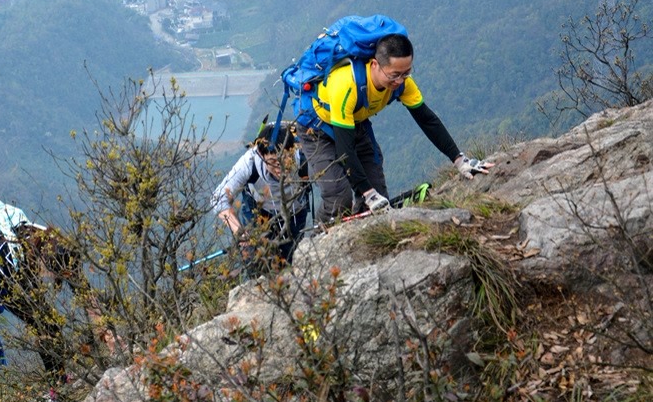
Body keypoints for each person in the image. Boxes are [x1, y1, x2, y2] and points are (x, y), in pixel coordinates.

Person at [296, 31, 493, 222]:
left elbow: (427, 120)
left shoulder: (403, 84)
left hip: (355, 123)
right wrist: (368, 193)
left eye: (406, 73)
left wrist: (459, 160)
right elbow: (345, 149)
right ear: (375, 65)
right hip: (317, 130)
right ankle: (315, 242)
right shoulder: (347, 84)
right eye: (394, 75)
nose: (399, 81)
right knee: (339, 197)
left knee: (380, 201)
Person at [0, 220, 88, 396]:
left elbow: (81, 289)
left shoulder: (47, 243)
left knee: (46, 323)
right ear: (46, 262)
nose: (51, 278)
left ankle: (58, 384)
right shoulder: (6, 264)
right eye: (55, 273)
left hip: (4, 272)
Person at [211, 122, 311, 274]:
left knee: (292, 259)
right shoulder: (250, 162)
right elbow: (218, 198)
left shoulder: (305, 155)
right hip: (259, 211)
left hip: (295, 210)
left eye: (284, 159)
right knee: (256, 260)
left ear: (292, 151)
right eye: (272, 162)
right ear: (261, 155)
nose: (280, 167)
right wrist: (241, 233)